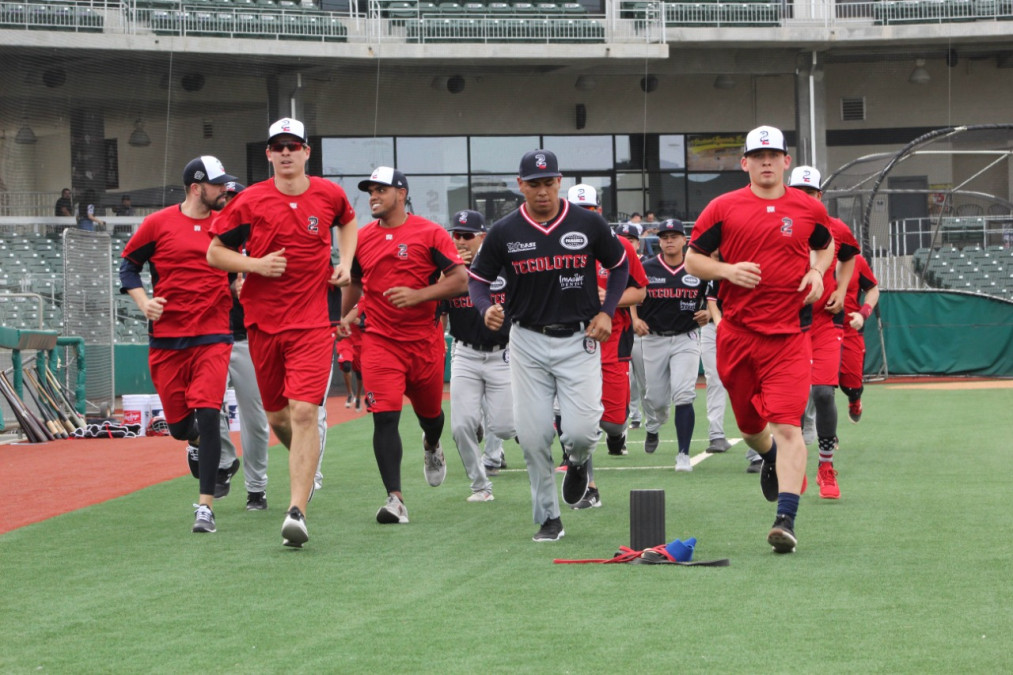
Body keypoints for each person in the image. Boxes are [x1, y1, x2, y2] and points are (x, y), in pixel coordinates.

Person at [208, 118, 358, 548]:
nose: (287, 152)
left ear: (307, 152)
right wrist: (254, 266)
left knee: (305, 412)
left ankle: (297, 510)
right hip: (262, 323)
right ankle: (306, 465)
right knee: (278, 417)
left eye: (294, 145)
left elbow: (348, 222)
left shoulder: (330, 194)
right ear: (269, 154)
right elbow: (214, 252)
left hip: (312, 322)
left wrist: (345, 262)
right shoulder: (250, 201)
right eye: (279, 146)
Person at [684, 126, 834, 554]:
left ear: (787, 161)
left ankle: (785, 519)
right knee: (751, 429)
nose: (766, 161)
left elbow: (827, 245)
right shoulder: (723, 207)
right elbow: (693, 259)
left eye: (774, 154)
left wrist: (817, 271)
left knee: (787, 426)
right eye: (758, 154)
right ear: (744, 162)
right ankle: (767, 457)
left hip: (789, 337)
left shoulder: (807, 208)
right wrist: (727, 271)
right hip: (737, 336)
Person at [468, 149, 629, 542]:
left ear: (560, 182)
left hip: (580, 337)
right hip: (527, 340)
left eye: (549, 182)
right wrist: (486, 306)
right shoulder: (505, 230)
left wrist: (608, 310)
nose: (542, 190)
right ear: (520, 185)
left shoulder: (587, 223)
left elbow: (620, 264)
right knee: (535, 435)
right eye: (534, 183)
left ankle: (576, 461)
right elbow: (477, 279)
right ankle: (548, 517)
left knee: (582, 431)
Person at [340, 166, 468, 525]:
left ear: (401, 193)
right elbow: (353, 282)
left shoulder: (430, 233)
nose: (373, 197)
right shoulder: (362, 237)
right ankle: (395, 499)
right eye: (370, 192)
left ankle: (431, 445)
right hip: (380, 341)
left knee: (431, 417)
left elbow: (460, 280)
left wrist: (419, 295)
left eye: (381, 190)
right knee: (384, 419)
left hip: (425, 345)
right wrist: (343, 318)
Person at [119, 155, 237, 534]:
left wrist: (239, 279)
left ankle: (205, 508)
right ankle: (200, 441)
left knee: (206, 409)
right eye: (217, 184)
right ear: (195, 187)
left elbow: (237, 263)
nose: (224, 190)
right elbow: (128, 265)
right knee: (180, 427)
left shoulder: (228, 223)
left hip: (214, 335)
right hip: (167, 339)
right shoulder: (158, 224)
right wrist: (143, 303)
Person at [566, 184, 646, 511]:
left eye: (591, 211)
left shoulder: (620, 245)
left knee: (612, 420)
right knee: (577, 416)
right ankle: (588, 485)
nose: (586, 218)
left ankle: (617, 434)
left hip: (610, 340)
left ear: (599, 212)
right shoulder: (551, 247)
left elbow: (640, 292)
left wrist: (608, 301)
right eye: (579, 211)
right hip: (569, 340)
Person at [787, 166, 859, 500]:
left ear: (820, 196)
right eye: (797, 192)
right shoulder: (777, 227)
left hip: (824, 322)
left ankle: (826, 465)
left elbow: (849, 259)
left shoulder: (836, 228)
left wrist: (842, 291)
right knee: (792, 398)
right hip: (785, 323)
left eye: (809, 192)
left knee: (824, 393)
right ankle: (792, 465)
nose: (803, 198)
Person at [442, 209, 515, 503]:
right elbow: (437, 308)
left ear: (482, 237)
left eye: (466, 235)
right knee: (460, 426)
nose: (460, 241)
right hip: (466, 354)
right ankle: (480, 486)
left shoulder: (502, 264)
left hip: (504, 355)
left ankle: (485, 426)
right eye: (456, 235)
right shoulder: (447, 269)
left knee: (505, 428)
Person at [633, 219, 708, 472]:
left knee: (684, 394)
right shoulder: (647, 266)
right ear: (659, 240)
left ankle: (683, 454)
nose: (669, 240)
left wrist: (707, 312)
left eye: (675, 236)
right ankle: (653, 425)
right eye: (664, 236)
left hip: (685, 337)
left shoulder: (696, 268)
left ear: (685, 240)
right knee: (655, 399)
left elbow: (713, 296)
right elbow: (632, 291)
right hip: (653, 338)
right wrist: (634, 318)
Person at [702, 278, 761, 471]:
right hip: (717, 328)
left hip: (750, 327)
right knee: (715, 380)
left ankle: (758, 452)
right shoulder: (717, 267)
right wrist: (720, 323)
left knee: (754, 384)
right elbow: (711, 298)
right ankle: (716, 435)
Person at [840, 253, 880, 423]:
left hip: (850, 329)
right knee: (821, 389)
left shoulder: (855, 260)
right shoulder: (809, 255)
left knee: (851, 386)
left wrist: (863, 314)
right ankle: (826, 433)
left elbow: (872, 289)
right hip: (820, 329)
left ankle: (855, 400)